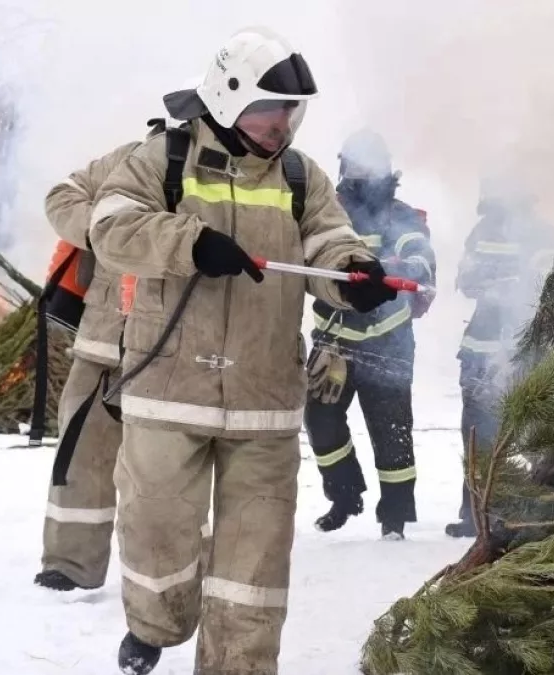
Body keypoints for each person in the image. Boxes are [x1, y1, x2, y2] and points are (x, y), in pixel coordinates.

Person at [88, 26, 395, 675]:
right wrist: (190, 242)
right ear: (228, 97)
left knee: (254, 568)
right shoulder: (163, 157)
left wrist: (353, 273)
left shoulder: (300, 176)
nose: (282, 124)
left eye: (291, 111)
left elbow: (328, 242)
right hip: (167, 393)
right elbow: (111, 227)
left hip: (264, 402)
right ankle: (155, 623)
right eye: (269, 109)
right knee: (156, 530)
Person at [304, 129, 436, 540]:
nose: (361, 173)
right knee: (320, 421)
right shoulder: (329, 212)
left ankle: (394, 518)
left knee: (391, 431)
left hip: (388, 344)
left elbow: (420, 253)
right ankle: (344, 496)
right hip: (334, 342)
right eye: (356, 164)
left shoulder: (401, 215)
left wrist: (402, 268)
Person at [34, 137, 147, 592]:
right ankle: (69, 564)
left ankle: (171, 573)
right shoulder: (131, 157)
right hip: (102, 344)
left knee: (168, 473)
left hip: (176, 357)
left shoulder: (224, 170)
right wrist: (106, 230)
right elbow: (62, 197)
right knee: (79, 461)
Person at [445, 172, 554, 538]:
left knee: (529, 434)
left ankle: (537, 509)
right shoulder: (481, 232)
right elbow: (464, 279)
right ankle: (475, 515)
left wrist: (510, 289)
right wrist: (484, 280)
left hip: (523, 349)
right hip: (478, 349)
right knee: (476, 435)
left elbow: (546, 287)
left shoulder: (542, 234)